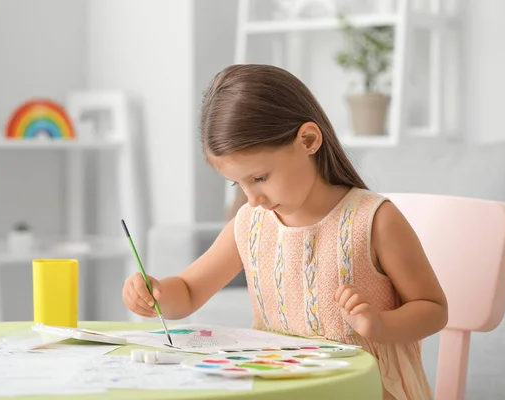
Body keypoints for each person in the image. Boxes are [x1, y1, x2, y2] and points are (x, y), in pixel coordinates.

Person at [123, 64, 447, 400]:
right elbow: (188, 292)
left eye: (260, 178)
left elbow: (433, 308)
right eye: (238, 183)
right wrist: (156, 294)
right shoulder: (250, 224)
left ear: (308, 140)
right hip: (281, 388)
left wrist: (380, 325)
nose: (253, 198)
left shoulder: (373, 220)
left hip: (366, 389)